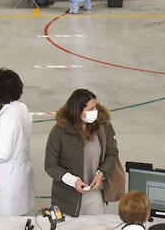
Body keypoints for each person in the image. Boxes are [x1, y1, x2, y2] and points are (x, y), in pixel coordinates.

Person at [44, 89, 122, 217]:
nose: (95, 112)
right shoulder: (59, 131)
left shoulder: (104, 126)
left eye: (95, 107)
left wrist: (101, 174)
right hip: (67, 196)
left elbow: (112, 154)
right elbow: (50, 165)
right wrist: (73, 181)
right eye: (90, 109)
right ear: (77, 111)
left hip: (94, 194)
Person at [0, 68, 35, 217]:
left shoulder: (5, 117)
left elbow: (1, 154)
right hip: (21, 173)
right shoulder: (22, 108)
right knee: (19, 219)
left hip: (8, 181)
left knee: (6, 225)